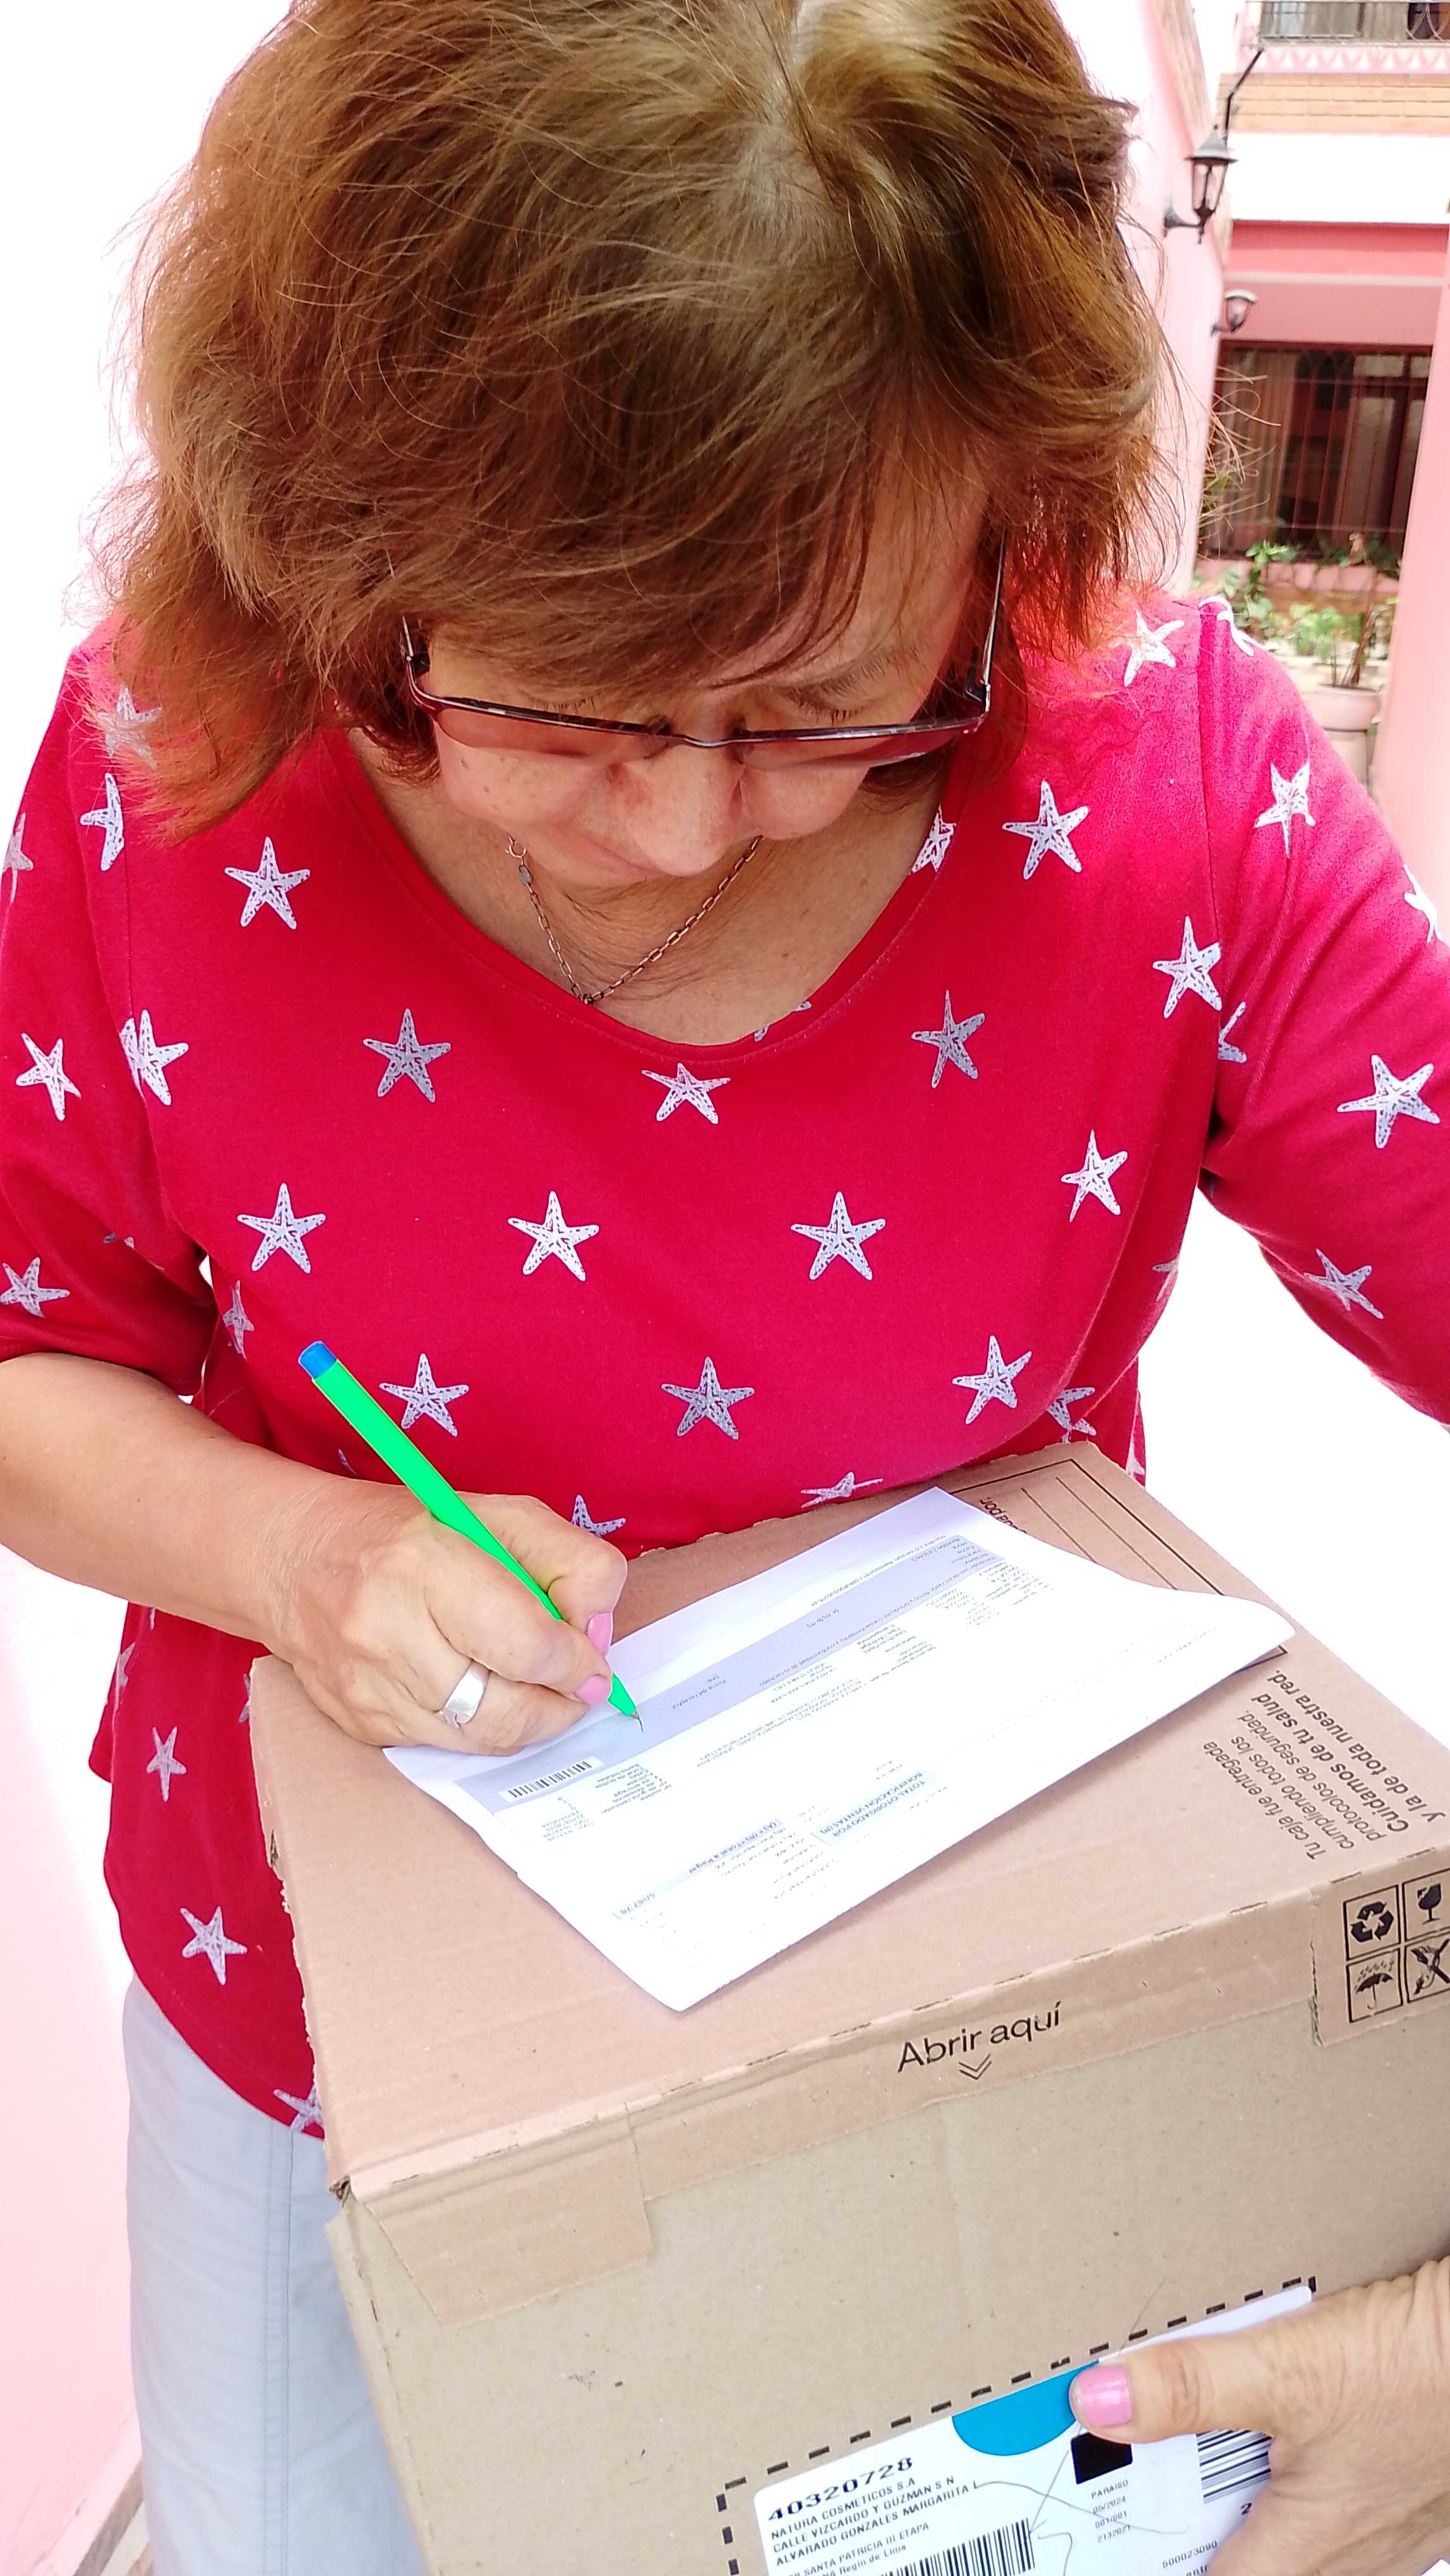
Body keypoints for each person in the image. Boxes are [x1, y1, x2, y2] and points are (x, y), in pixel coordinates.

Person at [1, 0, 1446, 2567]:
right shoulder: (173, 780)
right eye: (556, 706)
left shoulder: (1167, 794)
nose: (677, 830)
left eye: (819, 708)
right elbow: (34, 1345)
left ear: (1005, 520)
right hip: (319, 2054)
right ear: (328, 549)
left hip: (968, 2063)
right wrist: (299, 1554)